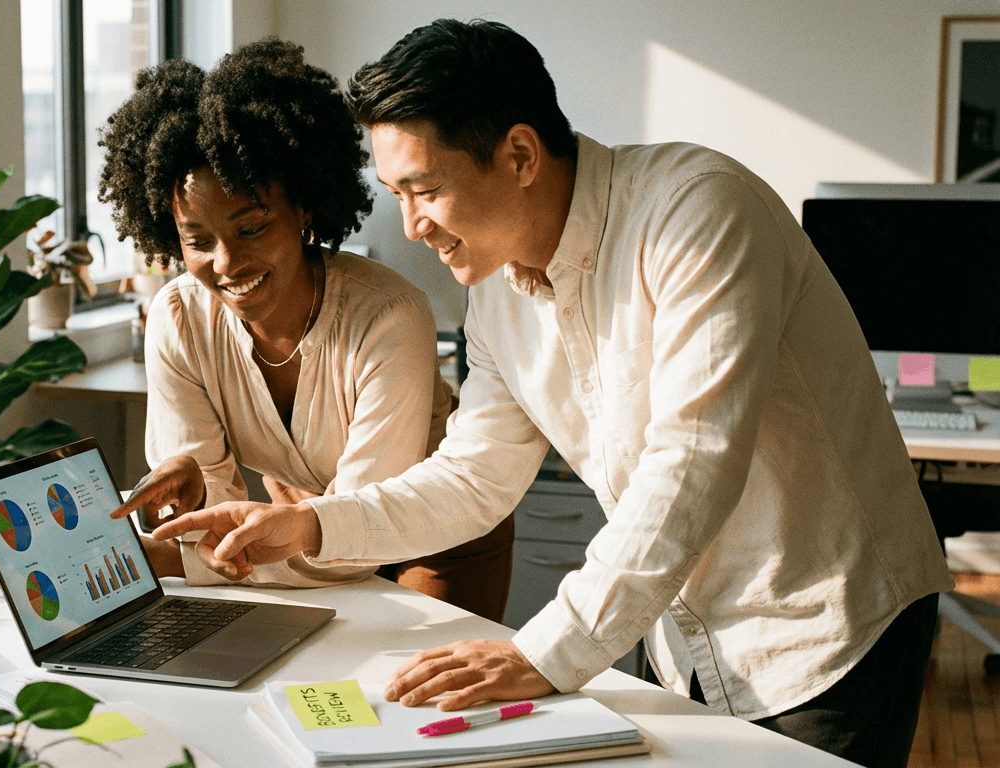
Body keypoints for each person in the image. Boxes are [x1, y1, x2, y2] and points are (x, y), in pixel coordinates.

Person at [148, 19, 954, 768]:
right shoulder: (497, 291)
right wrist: (308, 522)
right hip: (682, 634)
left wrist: (544, 651)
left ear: (522, 155)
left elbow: (693, 465)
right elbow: (475, 476)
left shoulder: (699, 212)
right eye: (396, 194)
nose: (414, 224)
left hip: (825, 629)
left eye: (424, 190)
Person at [98, 39, 515, 620]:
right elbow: (215, 520)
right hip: (298, 530)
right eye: (197, 241)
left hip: (434, 533)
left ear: (304, 211)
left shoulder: (388, 315)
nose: (225, 262)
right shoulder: (178, 319)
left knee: (413, 694)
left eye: (252, 227)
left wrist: (172, 559)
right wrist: (197, 496)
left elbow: (358, 542)